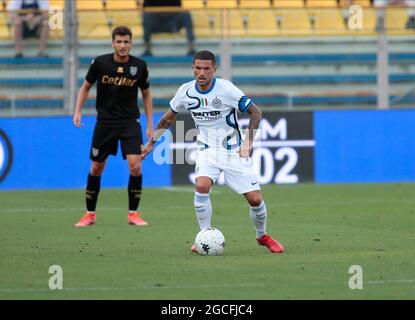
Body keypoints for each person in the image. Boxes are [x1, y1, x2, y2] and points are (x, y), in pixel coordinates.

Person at [141, 50, 284, 254]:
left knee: (254, 199)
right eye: (198, 68)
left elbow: (256, 112)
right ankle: (204, 236)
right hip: (207, 150)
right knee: (202, 186)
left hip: (234, 151)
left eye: (206, 68)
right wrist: (151, 143)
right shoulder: (185, 91)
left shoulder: (226, 89)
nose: (201, 73)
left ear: (214, 69)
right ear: (192, 68)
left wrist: (248, 142)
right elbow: (167, 119)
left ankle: (262, 236)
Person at [73, 26, 154, 227]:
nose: (122, 45)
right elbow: (85, 87)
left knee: (136, 166)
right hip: (105, 123)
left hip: (129, 122)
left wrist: (150, 124)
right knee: (96, 167)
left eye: (126, 42)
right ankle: (89, 214)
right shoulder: (100, 63)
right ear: (113, 43)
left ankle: (133, 214)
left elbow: (146, 93)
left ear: (131, 43)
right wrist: (77, 111)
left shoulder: (140, 66)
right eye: (119, 41)